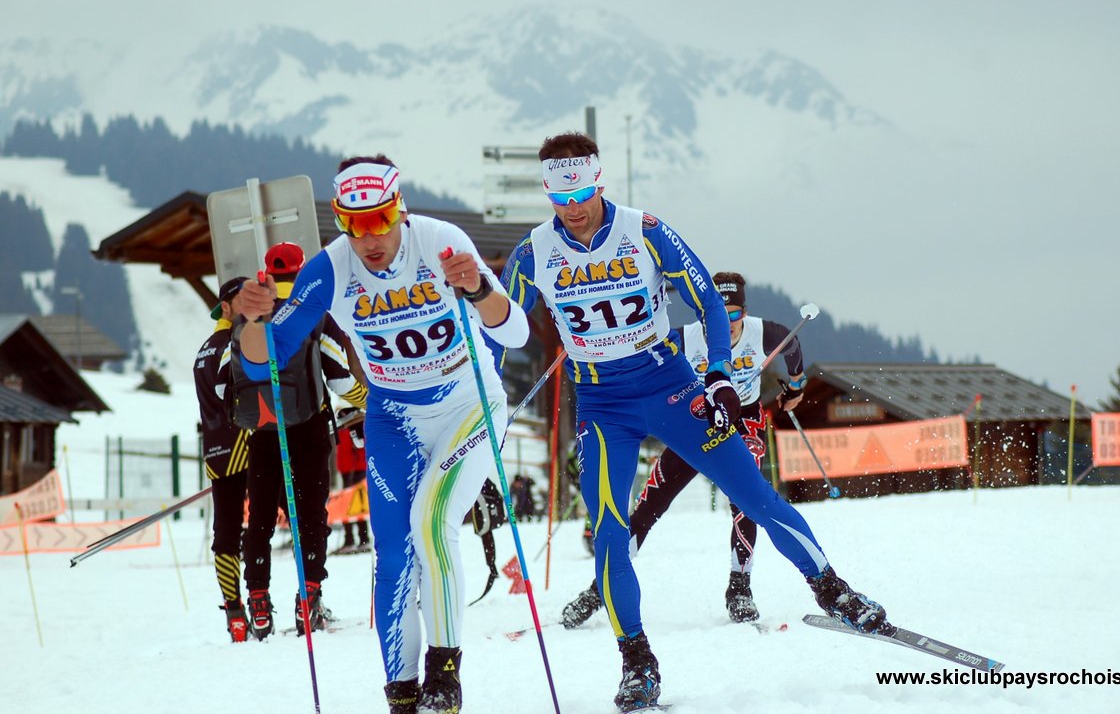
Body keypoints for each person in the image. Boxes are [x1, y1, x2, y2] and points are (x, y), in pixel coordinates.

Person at [500, 132, 888, 712]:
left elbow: (707, 299)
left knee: (754, 495)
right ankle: (637, 660)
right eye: (561, 196)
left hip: (671, 386)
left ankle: (832, 588)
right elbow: (498, 328)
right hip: (603, 404)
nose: (573, 207)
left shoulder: (646, 231)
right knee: (610, 531)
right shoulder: (533, 252)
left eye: (581, 190)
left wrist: (722, 376)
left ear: (599, 182)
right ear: (549, 195)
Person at [232, 156, 529, 714]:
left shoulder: (440, 241)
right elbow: (262, 362)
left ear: (400, 208)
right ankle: (401, 692)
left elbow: (513, 328)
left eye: (380, 219)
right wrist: (252, 320)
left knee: (433, 523)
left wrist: (479, 289)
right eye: (353, 222)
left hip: (469, 404)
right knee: (391, 554)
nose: (368, 237)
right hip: (394, 415)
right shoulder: (331, 267)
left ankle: (444, 675)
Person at [559, 270, 809, 629]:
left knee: (748, 501)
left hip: (744, 420)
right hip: (695, 423)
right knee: (650, 504)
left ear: (745, 312)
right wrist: (590, 352)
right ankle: (602, 588)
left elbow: (793, 346)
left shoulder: (764, 332)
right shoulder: (682, 338)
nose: (728, 324)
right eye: (718, 316)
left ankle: (740, 588)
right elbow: (636, 354)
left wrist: (796, 387)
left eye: (735, 314)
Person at [223, 241, 368, 642]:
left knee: (261, 519)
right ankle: (309, 598)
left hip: (263, 430)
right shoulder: (314, 310)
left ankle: (257, 598)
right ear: (303, 270)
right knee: (310, 516)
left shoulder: (251, 316)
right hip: (308, 428)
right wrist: (369, 402)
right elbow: (339, 377)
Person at [194, 275, 252, 641]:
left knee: (226, 534)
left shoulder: (205, 346)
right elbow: (231, 389)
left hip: (216, 450)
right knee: (292, 513)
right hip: (245, 444)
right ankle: (302, 599)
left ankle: (235, 612)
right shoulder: (236, 340)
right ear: (227, 307)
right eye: (245, 299)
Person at [333, 406, 371, 554]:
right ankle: (349, 539)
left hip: (357, 467)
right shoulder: (339, 418)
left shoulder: (354, 416)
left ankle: (363, 538)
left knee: (357, 505)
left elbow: (359, 443)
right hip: (345, 467)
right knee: (346, 505)